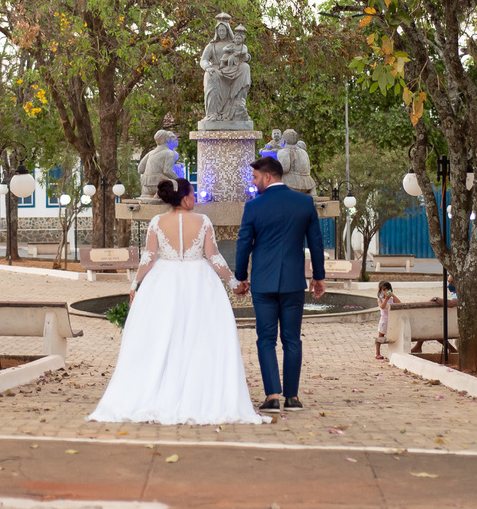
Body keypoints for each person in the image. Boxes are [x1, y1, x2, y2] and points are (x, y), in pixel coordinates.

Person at [88, 177, 265, 425]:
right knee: (200, 337)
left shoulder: (157, 222)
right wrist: (235, 284)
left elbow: (148, 258)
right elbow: (214, 257)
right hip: (200, 282)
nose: (195, 199)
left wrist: (135, 284)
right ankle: (199, 392)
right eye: (193, 195)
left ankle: (160, 387)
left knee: (163, 336)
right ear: (184, 198)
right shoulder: (202, 221)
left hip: (163, 282)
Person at [234, 156, 326, 413]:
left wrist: (241, 277)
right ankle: (293, 398)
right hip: (293, 282)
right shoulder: (304, 203)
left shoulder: (253, 207)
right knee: (292, 339)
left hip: (263, 283)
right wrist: (319, 277)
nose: (253, 183)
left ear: (268, 176)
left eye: (255, 178)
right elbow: (315, 243)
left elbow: (244, 244)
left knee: (265, 339)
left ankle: (272, 396)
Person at [375, 281, 400, 360]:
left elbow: (399, 303)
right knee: (380, 337)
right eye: (384, 290)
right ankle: (377, 353)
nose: (386, 291)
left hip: (391, 320)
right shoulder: (380, 299)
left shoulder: (392, 300)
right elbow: (382, 306)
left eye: (388, 289)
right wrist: (386, 299)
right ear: (381, 291)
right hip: (384, 321)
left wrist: (392, 296)